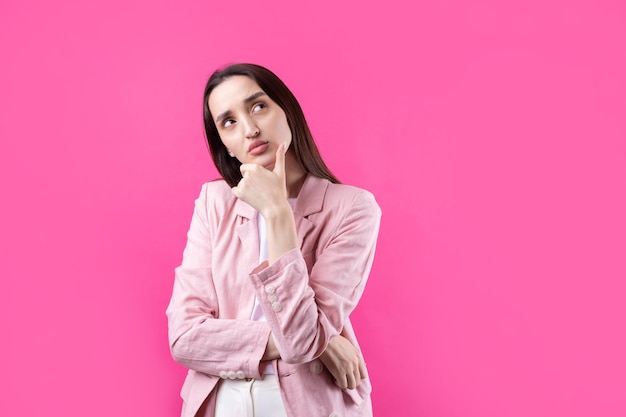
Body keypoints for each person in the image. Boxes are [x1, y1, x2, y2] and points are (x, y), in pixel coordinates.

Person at [166, 63, 381, 417]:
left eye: (258, 106)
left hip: (308, 403)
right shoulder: (213, 202)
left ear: (288, 111)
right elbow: (184, 337)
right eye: (229, 122)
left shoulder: (352, 208)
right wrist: (321, 342)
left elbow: (300, 342)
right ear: (226, 145)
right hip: (222, 397)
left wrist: (278, 213)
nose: (250, 129)